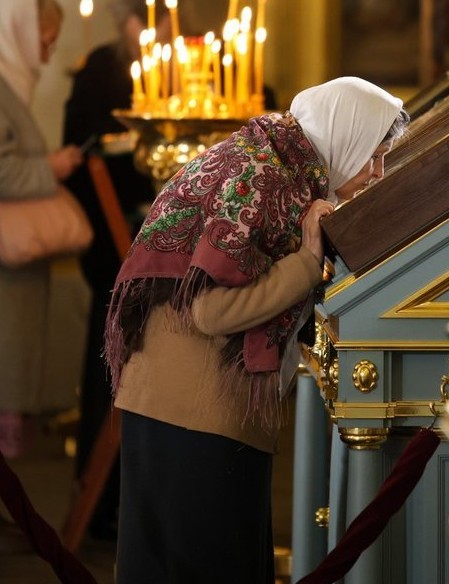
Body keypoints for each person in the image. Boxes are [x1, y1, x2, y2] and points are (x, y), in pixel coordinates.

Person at [103, 76, 409, 581]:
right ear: (345, 135)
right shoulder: (265, 177)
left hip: (176, 404)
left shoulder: (279, 161)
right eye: (373, 157)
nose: (377, 173)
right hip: (195, 416)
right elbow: (211, 311)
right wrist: (308, 260)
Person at [61, 0, 188, 541]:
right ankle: (104, 505)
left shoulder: (182, 64)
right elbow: (83, 147)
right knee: (110, 359)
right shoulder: (101, 68)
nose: (151, 34)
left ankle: (149, 502)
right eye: (144, 24)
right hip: (114, 239)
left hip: (155, 232)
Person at [0, 0, 83, 458]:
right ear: (19, 29)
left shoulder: (13, 80)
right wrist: (49, 168)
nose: (49, 56)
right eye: (46, 41)